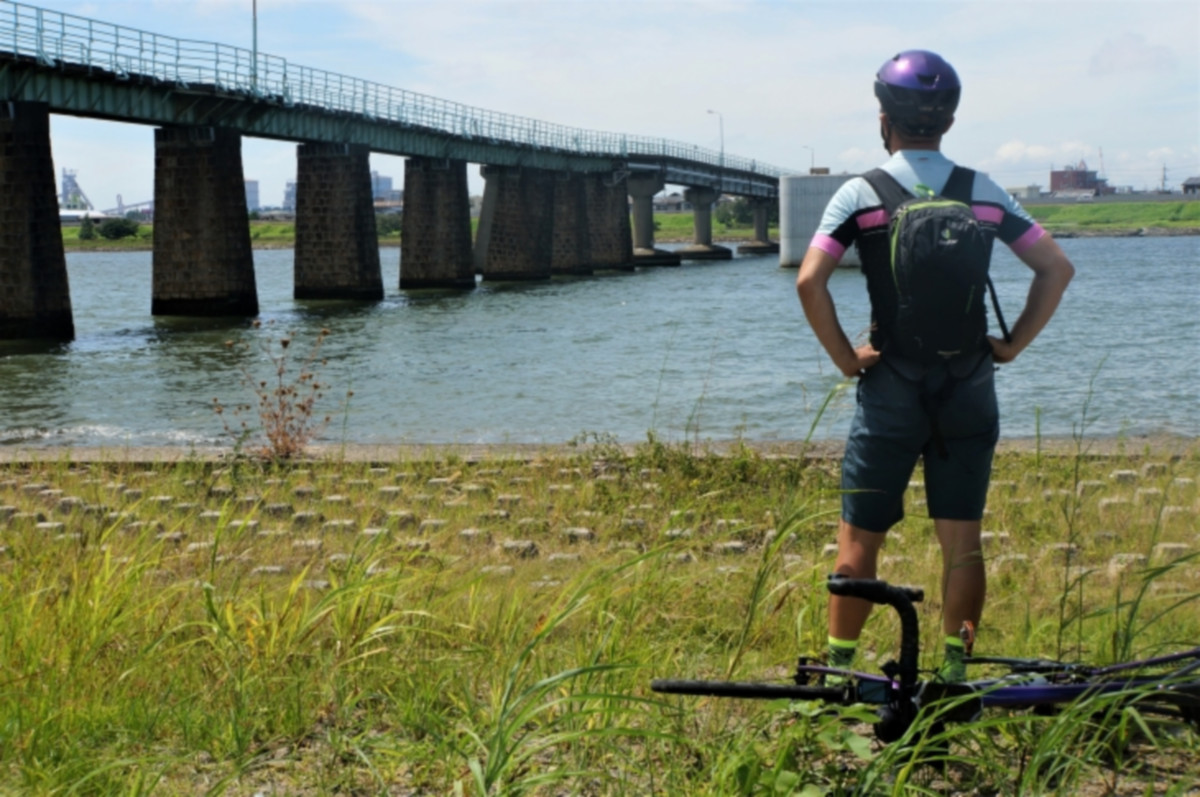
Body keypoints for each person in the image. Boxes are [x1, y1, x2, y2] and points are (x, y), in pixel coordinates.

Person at [795, 50, 1075, 682]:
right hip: (970, 385)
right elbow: (1056, 269)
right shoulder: (984, 191)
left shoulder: (860, 192)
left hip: (891, 384)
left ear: (883, 119)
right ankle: (953, 675)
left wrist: (846, 359)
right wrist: (1012, 344)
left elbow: (810, 282)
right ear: (947, 121)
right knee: (962, 542)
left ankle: (841, 674)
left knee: (861, 536)